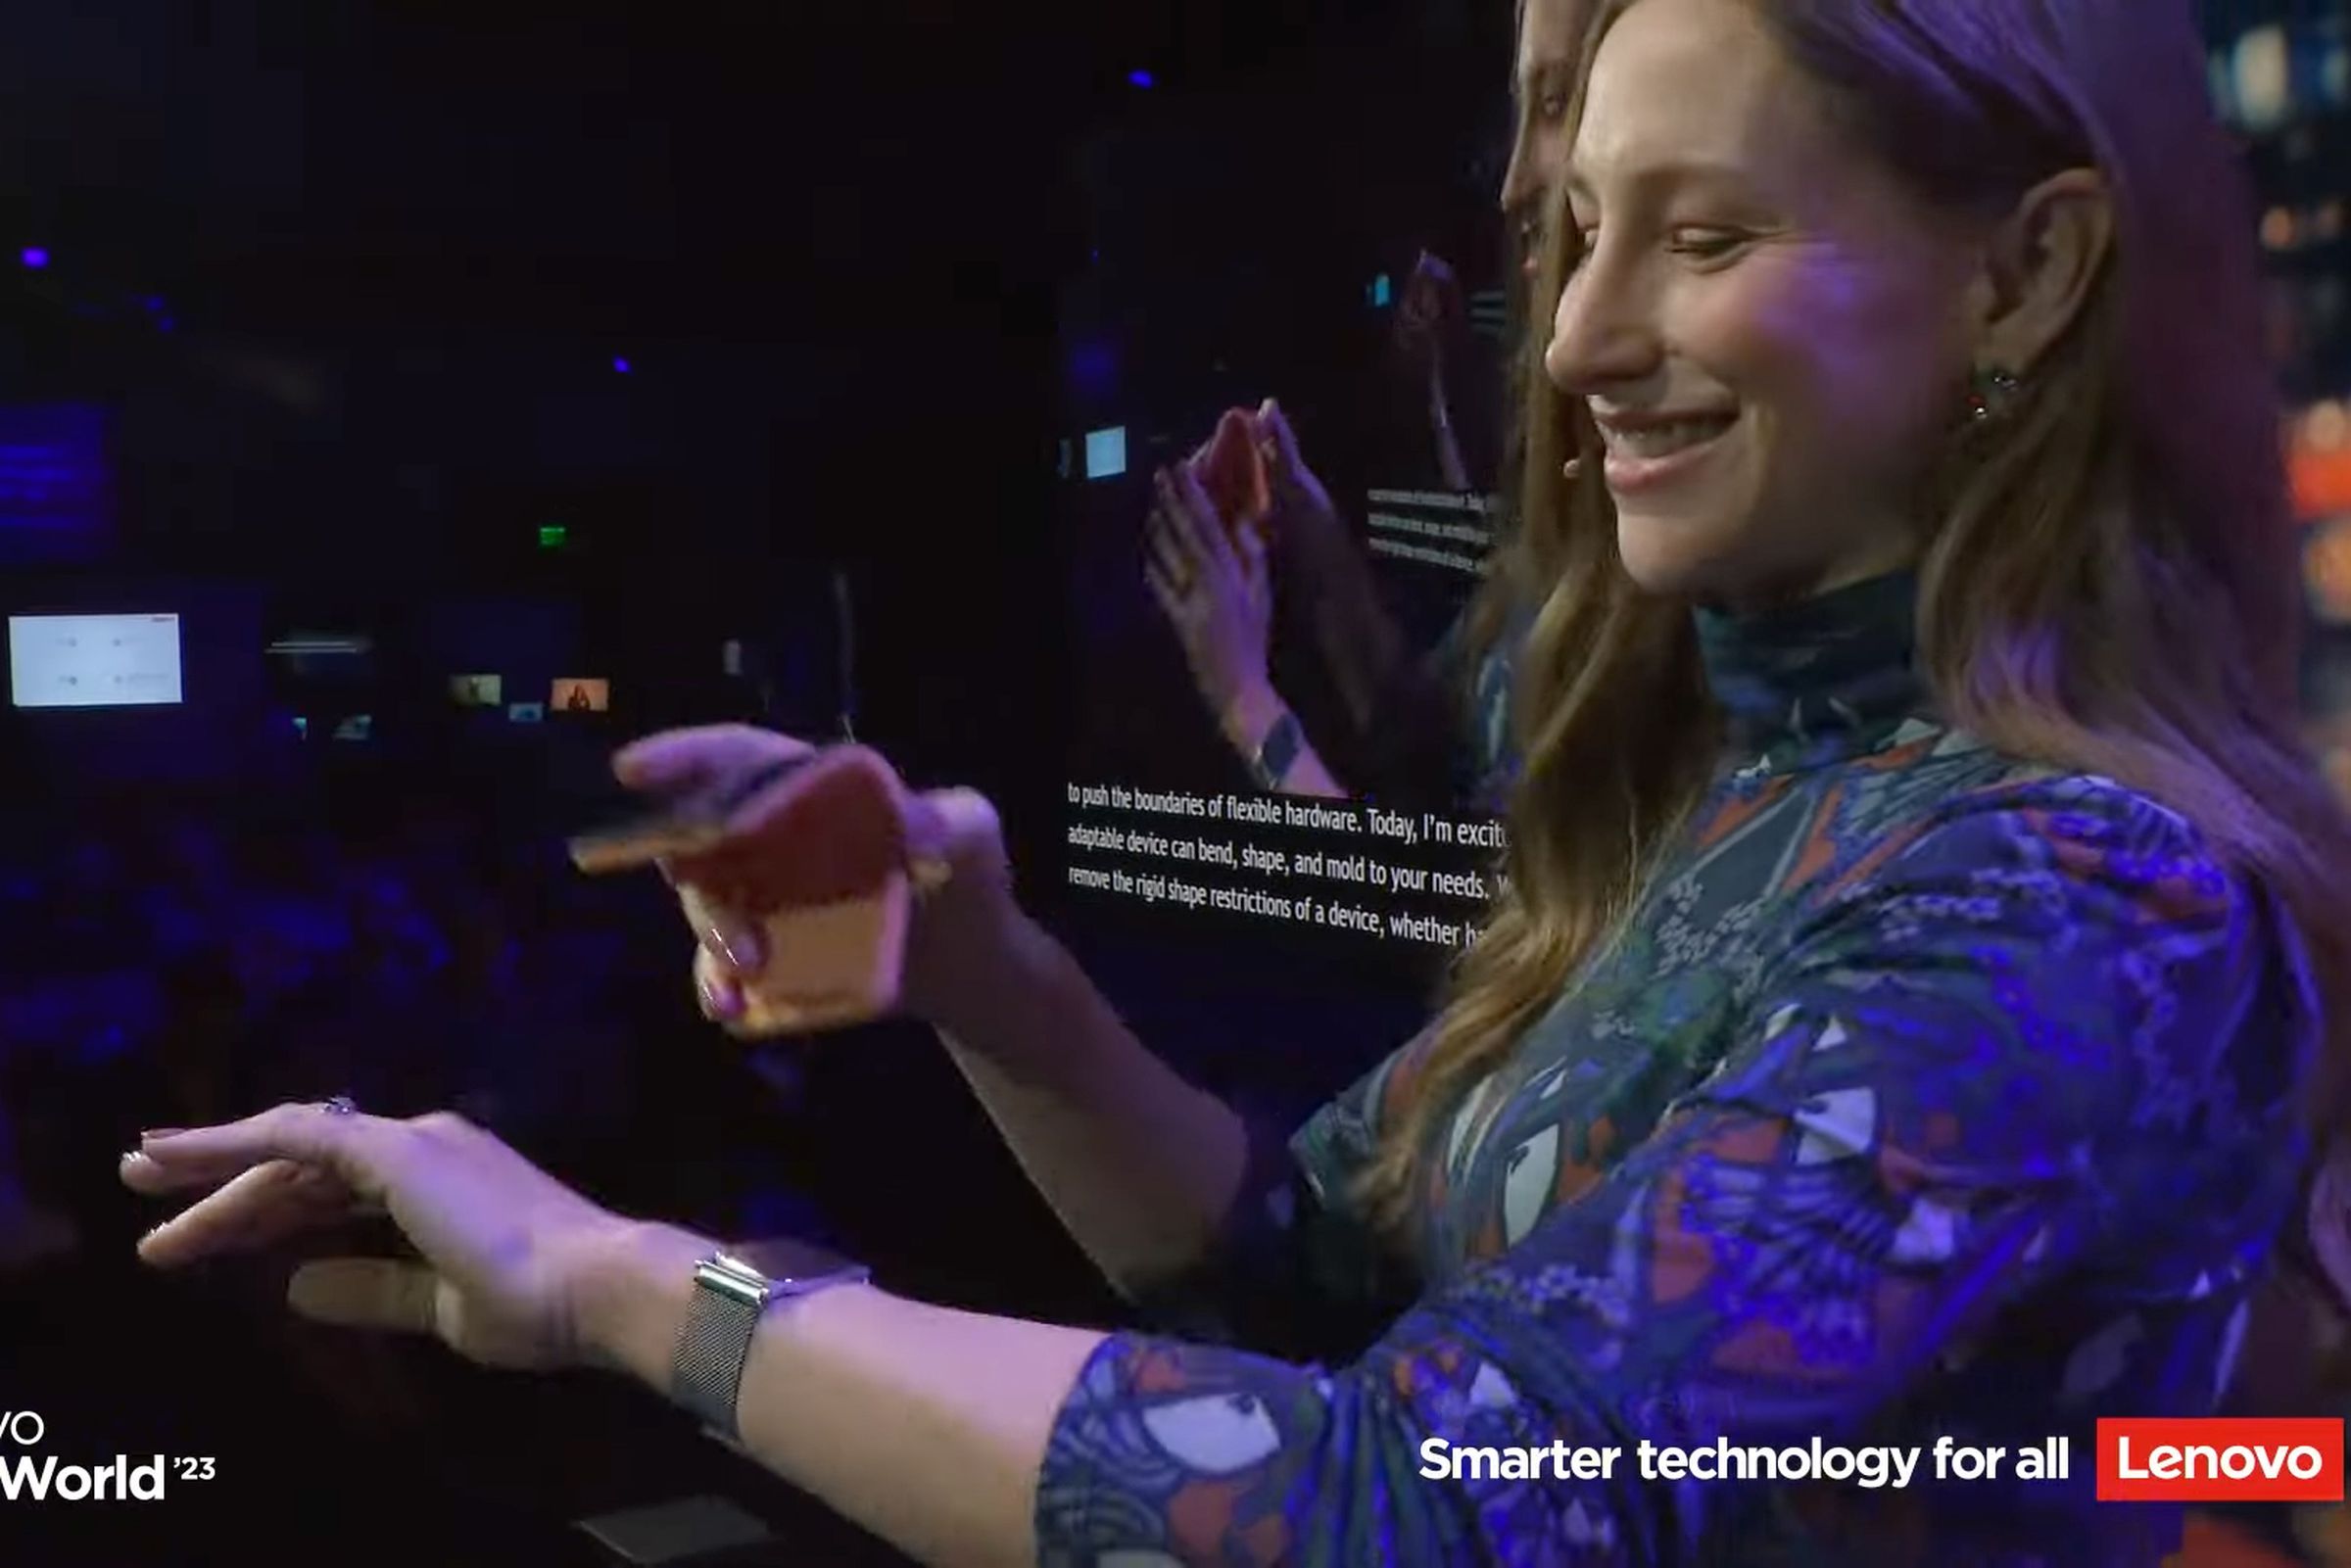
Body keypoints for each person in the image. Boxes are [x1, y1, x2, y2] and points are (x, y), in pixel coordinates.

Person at [121, 0, 2351, 1561]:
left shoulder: (2072, 901)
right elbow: (1291, 1281)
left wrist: (625, 1284)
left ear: (2023, 273)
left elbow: (1394, 1502)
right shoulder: (1736, 786)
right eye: (1572, 236)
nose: (1572, 339)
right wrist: (987, 971)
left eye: (1698, 236)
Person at [1148, 0, 1599, 807]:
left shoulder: (1647, 555)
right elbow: (1422, 736)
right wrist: (1316, 539)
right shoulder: (1566, 522)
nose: (1511, 184)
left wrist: (1241, 697)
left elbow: (1433, 910)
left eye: (1558, 103)